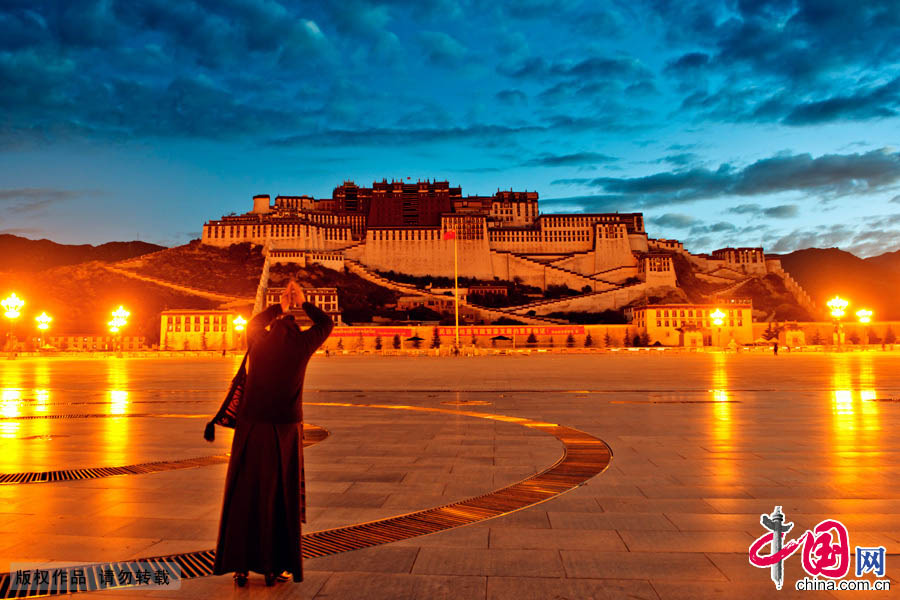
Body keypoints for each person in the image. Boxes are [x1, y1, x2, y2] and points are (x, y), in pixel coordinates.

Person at [212, 280, 333, 586]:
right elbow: (326, 322)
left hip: (250, 428)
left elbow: (254, 324)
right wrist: (304, 302)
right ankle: (274, 566)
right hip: (285, 429)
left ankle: (240, 565)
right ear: (295, 331)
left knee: (244, 493)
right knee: (279, 497)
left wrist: (279, 306)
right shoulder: (302, 345)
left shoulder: (259, 343)